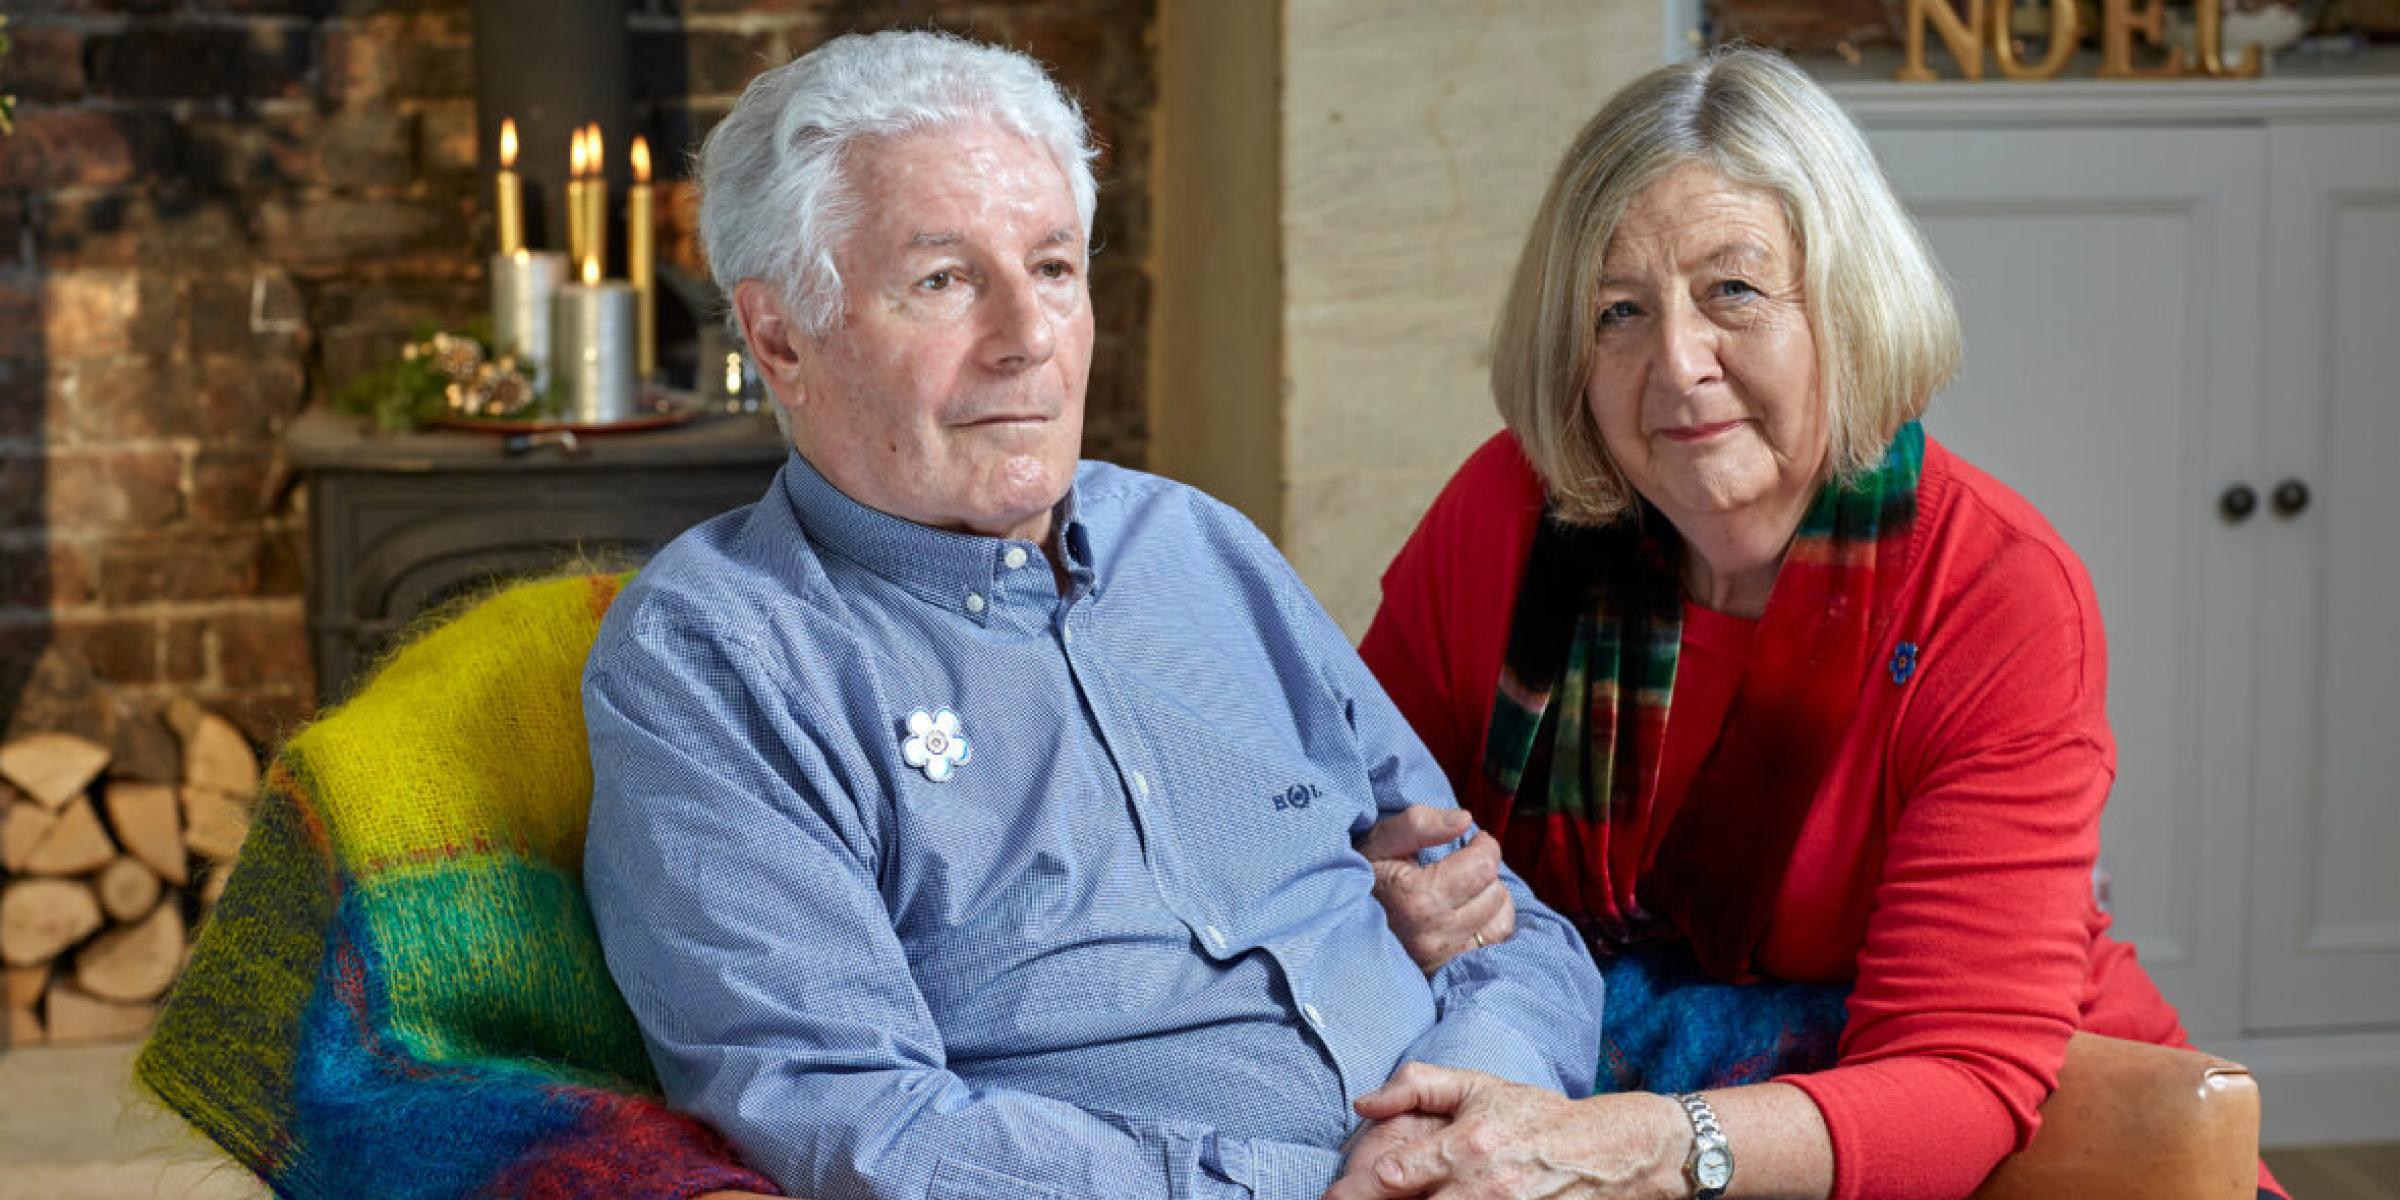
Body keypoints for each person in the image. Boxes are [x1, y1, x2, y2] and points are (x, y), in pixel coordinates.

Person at [577, 30, 1606, 1200]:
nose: (1028, 340)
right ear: (779, 339)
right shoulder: (720, 657)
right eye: (945, 281)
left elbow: (1502, 924)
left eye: (1055, 268)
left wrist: (1479, 1117)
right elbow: (851, 1118)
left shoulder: (1199, 546)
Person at [1335, 47, 2285, 1200]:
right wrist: (1383, 893)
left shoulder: (1995, 592)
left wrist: (1649, 1140)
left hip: (2036, 1141)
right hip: (1578, 1129)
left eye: (1733, 291)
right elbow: (1336, 830)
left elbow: (1963, 1076)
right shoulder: (1503, 514)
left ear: (1846, 303)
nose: (1677, 364)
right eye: (1618, 313)